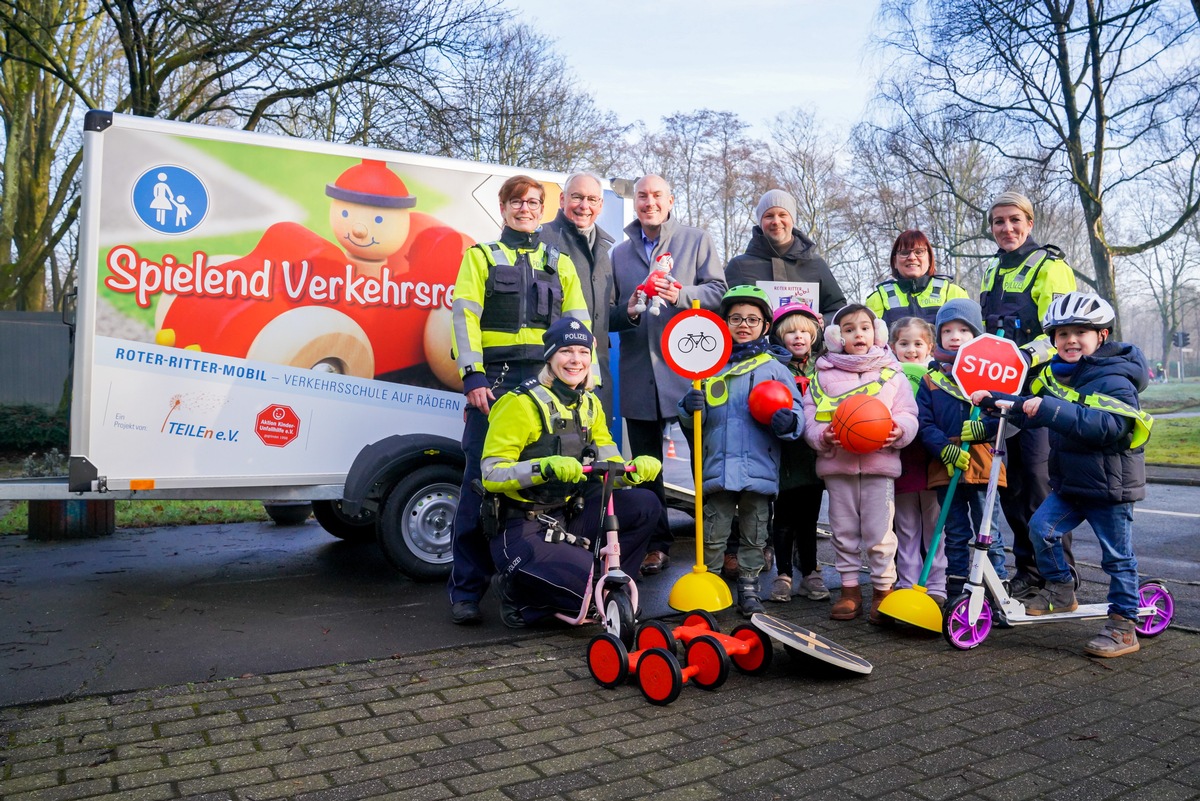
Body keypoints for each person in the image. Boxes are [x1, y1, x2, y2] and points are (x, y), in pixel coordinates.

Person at [972, 292, 1153, 657]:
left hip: (1109, 487)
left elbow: (1108, 427)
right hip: (1070, 483)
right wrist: (994, 401)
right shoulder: (1055, 376)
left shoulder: (1115, 378)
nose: (1070, 340)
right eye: (1062, 334)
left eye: (1080, 332)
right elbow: (1027, 409)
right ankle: (1060, 587)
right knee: (1041, 529)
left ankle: (1123, 624)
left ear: (1101, 336)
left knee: (1117, 557)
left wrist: (1050, 409)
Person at [447, 175, 592, 625]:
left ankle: (531, 583)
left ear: (543, 208)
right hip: (496, 384)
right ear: (504, 206)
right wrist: (472, 376)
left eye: (533, 202)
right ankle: (467, 590)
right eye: (517, 202)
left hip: (549, 385)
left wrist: (587, 383)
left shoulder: (561, 263)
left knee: (550, 488)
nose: (525, 209)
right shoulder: (480, 257)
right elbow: (464, 316)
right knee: (481, 484)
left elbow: (579, 326)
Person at [481, 317, 662, 627]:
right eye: (566, 351)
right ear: (550, 357)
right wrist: (543, 468)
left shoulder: (590, 405)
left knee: (645, 504)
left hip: (569, 517)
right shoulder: (520, 405)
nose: (576, 360)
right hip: (522, 529)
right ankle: (517, 593)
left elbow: (609, 462)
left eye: (583, 351)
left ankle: (612, 590)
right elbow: (491, 473)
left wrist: (631, 472)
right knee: (590, 599)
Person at [610, 174, 727, 577]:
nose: (649, 202)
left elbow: (720, 293)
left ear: (670, 199)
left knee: (704, 461)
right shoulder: (619, 254)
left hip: (689, 370)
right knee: (646, 467)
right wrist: (629, 308)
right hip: (638, 372)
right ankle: (655, 544)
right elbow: (611, 312)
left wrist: (681, 296)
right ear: (635, 203)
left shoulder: (696, 240)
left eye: (657, 195)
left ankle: (715, 541)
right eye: (642, 196)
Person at [677, 286, 804, 616]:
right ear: (724, 322)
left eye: (752, 319)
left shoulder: (775, 368)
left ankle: (749, 587)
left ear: (765, 325)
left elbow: (799, 415)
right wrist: (687, 408)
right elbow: (692, 419)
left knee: (755, 531)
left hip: (758, 467)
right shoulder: (706, 366)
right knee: (713, 531)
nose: (743, 325)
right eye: (735, 318)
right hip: (717, 465)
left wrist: (787, 420)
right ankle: (710, 585)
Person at [979, 191, 1079, 599]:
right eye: (999, 222)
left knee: (1038, 486)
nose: (1007, 228)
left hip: (1040, 394)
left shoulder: (1051, 267)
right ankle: (1027, 570)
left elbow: (1063, 334)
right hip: (1002, 395)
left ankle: (1060, 576)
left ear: (1029, 223)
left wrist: (1022, 355)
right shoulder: (990, 269)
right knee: (1009, 487)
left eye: (1014, 220)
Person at [802, 304, 918, 623]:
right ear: (837, 337)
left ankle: (883, 591)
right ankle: (849, 590)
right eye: (850, 329)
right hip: (838, 467)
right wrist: (822, 436)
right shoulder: (822, 373)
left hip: (879, 465)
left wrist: (900, 430)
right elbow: (809, 414)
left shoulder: (891, 371)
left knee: (880, 532)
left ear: (877, 333)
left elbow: (908, 411)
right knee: (843, 530)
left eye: (865, 327)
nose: (859, 334)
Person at [916, 300, 1007, 598]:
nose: (955, 336)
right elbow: (924, 423)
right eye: (948, 330)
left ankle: (996, 592)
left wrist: (987, 429)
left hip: (984, 465)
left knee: (988, 534)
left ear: (976, 334)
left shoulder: (993, 375)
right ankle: (957, 591)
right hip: (947, 467)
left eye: (964, 330)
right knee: (955, 533)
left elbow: (1008, 414)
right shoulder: (931, 380)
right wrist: (944, 449)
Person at [538, 172, 617, 413]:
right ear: (562, 199)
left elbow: (604, 318)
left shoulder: (606, 250)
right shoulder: (541, 239)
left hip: (595, 378)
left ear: (601, 205)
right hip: (555, 378)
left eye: (592, 199)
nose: (584, 206)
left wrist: (631, 312)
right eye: (577, 197)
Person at [766, 301, 829, 603]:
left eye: (805, 331)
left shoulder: (825, 365)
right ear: (779, 336)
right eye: (791, 332)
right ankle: (783, 573)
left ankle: (810, 572)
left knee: (809, 517)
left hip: (814, 453)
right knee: (784, 518)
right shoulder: (772, 366)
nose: (799, 337)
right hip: (785, 454)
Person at [888, 316, 946, 605]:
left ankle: (936, 583)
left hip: (933, 462)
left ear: (930, 347)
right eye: (904, 343)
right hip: (903, 461)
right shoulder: (886, 378)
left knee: (935, 526)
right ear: (892, 346)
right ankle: (907, 582)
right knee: (906, 526)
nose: (911, 349)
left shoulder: (940, 379)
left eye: (918, 343)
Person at [725, 189, 846, 317]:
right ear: (760, 222)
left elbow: (837, 310)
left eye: (783, 215)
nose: (776, 221)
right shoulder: (739, 266)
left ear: (792, 220)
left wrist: (823, 323)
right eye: (769, 216)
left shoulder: (816, 264)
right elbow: (724, 312)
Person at [866, 229, 968, 327]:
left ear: (929, 259)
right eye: (904, 253)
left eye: (919, 252)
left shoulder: (954, 293)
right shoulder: (877, 299)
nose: (912, 257)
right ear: (894, 262)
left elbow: (969, 337)